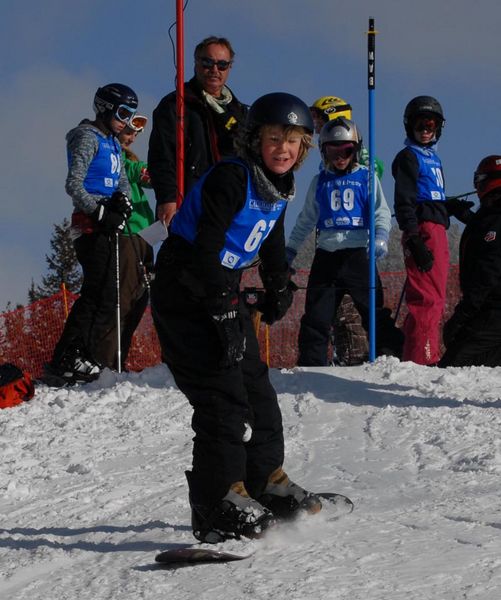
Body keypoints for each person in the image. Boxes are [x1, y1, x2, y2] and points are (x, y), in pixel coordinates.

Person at [151, 92, 330, 543]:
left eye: (293, 141)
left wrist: (278, 284)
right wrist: (224, 308)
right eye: (274, 138)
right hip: (185, 292)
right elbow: (206, 249)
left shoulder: (278, 185)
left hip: (218, 289)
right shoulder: (233, 177)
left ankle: (265, 483)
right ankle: (217, 502)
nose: (283, 149)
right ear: (255, 140)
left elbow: (270, 239)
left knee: (257, 388)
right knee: (222, 397)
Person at [286, 117, 403, 366]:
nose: (340, 157)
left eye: (346, 150)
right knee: (316, 316)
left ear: (356, 150)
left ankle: (389, 358)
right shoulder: (320, 182)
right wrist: (290, 250)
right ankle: (312, 365)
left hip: (358, 254)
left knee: (373, 310)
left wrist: (381, 236)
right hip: (327, 254)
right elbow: (306, 219)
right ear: (325, 151)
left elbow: (381, 211)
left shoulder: (366, 178)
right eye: (333, 150)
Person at [45, 83, 137, 384]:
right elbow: (74, 183)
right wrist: (98, 212)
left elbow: (121, 179)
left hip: (107, 224)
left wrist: (122, 203)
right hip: (90, 225)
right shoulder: (87, 138)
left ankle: (80, 353)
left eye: (131, 114)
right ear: (105, 108)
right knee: (99, 291)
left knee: (107, 293)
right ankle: (68, 356)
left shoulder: (112, 142)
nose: (127, 120)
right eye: (123, 112)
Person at [148, 35, 247, 227]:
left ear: (230, 67)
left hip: (228, 207)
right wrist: (168, 198)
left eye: (222, 65)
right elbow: (161, 155)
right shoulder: (176, 104)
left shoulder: (240, 112)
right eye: (207, 62)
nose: (214, 70)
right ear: (196, 62)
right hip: (189, 203)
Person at [392, 96, 449, 366]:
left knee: (436, 296)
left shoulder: (433, 158)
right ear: (409, 126)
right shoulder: (408, 157)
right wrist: (414, 238)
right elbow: (405, 200)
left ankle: (419, 352)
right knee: (426, 297)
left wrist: (450, 208)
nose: (425, 129)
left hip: (436, 228)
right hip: (423, 230)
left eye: (431, 124)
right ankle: (423, 358)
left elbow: (430, 196)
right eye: (419, 124)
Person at [95, 114, 155, 370]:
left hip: (146, 233)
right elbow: (140, 174)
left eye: (134, 135)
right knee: (125, 296)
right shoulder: (114, 159)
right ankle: (107, 360)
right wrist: (154, 174)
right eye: (127, 133)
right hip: (127, 234)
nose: (130, 139)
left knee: (140, 298)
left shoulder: (130, 159)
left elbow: (145, 178)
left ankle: (119, 356)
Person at [439, 155, 501, 367]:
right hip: (488, 309)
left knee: (455, 364)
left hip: (493, 310)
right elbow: (486, 229)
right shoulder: (490, 217)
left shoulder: (493, 221)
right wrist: (462, 213)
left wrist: (459, 319)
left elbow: (486, 279)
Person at [309, 95, 384, 179]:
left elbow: (376, 167)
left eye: (317, 117)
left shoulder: (356, 150)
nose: (315, 122)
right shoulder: (325, 155)